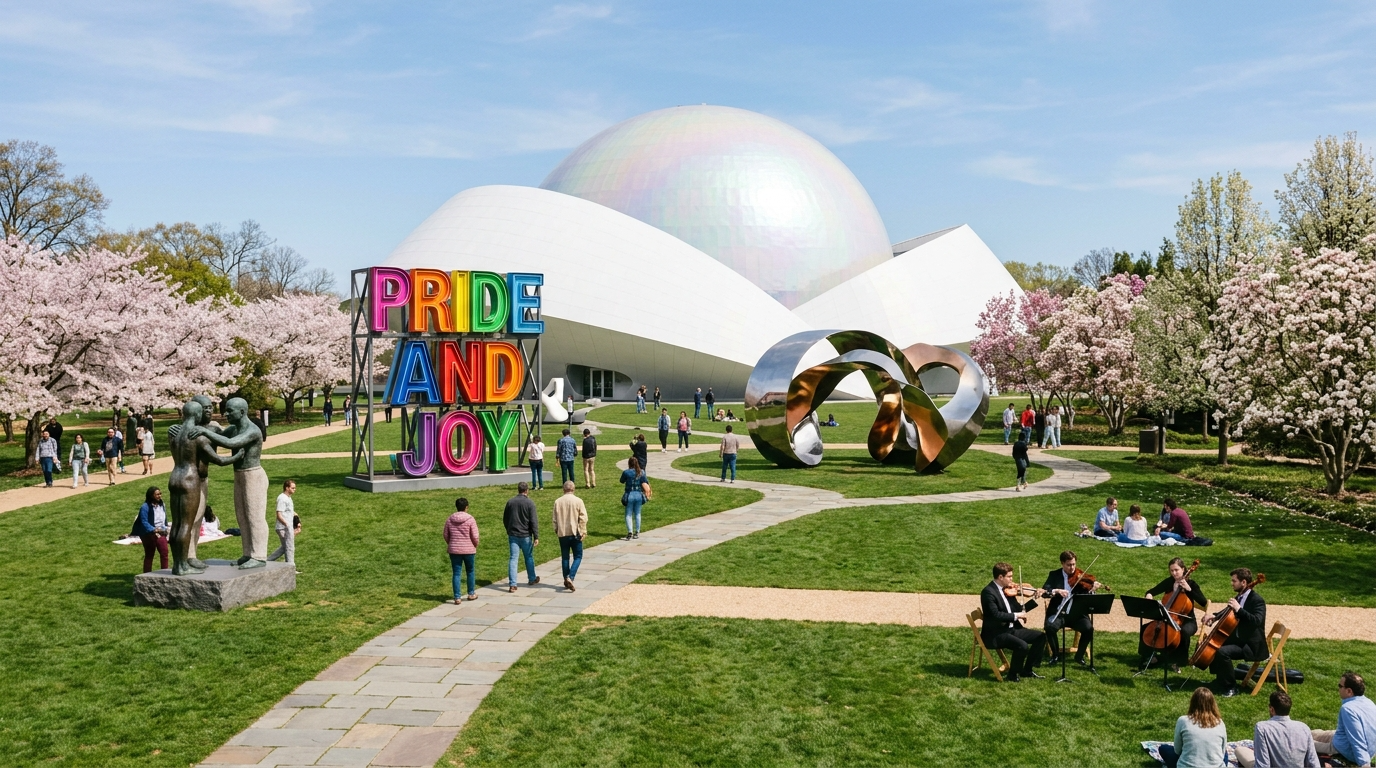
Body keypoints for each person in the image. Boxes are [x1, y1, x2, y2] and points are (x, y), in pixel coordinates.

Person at [1205, 567, 1267, 697]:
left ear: (1243, 582)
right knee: (1214, 644)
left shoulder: (1257, 600)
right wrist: (1214, 616)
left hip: (1251, 645)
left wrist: (1239, 609)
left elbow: (1256, 621)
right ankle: (1220, 681)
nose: (1231, 583)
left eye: (1234, 581)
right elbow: (1228, 611)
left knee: (1222, 652)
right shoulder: (1240, 596)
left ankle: (1231, 687)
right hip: (1240, 638)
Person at [980, 562, 1046, 682]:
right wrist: (1016, 616)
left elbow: (1019, 609)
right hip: (996, 633)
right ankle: (1012, 675)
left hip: (1011, 629)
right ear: (1000, 577)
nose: (1012, 579)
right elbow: (996, 615)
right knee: (1022, 646)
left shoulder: (1008, 591)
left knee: (1040, 637)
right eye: (1009, 576)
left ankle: (1027, 670)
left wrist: (1034, 599)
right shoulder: (988, 592)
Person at [1142, 557, 1208, 671]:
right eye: (1172, 570)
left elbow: (1203, 602)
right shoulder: (1169, 582)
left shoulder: (1191, 584)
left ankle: (1179, 661)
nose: (1174, 573)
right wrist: (1149, 595)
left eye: (1176, 570)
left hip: (1187, 621)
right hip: (1168, 619)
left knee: (1184, 632)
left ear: (1183, 569)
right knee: (1146, 628)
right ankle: (1150, 657)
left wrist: (1189, 589)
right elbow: (1151, 591)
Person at [1233, 690, 1319, 768]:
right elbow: (1313, 762)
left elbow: (1263, 765)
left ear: (1271, 709)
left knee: (1239, 750)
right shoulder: (1304, 727)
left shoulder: (1262, 728)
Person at [1042, 550, 1096, 666]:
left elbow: (1087, 598)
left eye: (1073, 564)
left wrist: (1092, 590)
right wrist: (1057, 591)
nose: (1072, 568)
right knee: (1049, 627)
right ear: (1062, 563)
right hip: (1058, 612)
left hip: (1077, 615)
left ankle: (1079, 656)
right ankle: (1055, 655)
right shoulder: (1054, 575)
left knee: (1089, 629)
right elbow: (1045, 591)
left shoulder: (1081, 576)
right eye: (1069, 565)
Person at [1312, 671, 1376, 767]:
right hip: (1369, 750)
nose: (1338, 688)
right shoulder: (1369, 702)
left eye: (1340, 686)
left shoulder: (1348, 709)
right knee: (1313, 733)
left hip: (1344, 749)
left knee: (1303, 741)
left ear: (1349, 691)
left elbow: (1357, 739)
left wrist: (1365, 764)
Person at [1159, 687, 1228, 768]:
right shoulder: (1220, 722)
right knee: (1224, 755)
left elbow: (1177, 750)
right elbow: (1223, 751)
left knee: (1163, 748)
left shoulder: (1183, 721)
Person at [503, 482, 539, 592]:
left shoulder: (510, 502)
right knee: (528, 557)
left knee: (513, 559)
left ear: (518, 490)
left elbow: (505, 519)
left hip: (513, 535)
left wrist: (509, 529)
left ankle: (513, 584)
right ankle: (532, 578)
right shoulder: (530, 503)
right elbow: (533, 521)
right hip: (526, 535)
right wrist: (536, 536)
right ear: (527, 490)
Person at [552, 481, 588, 591]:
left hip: (562, 533)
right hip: (575, 532)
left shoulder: (558, 501)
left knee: (565, 557)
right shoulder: (578, 501)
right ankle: (570, 577)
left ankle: (566, 578)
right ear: (573, 489)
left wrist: (556, 529)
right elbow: (583, 517)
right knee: (578, 556)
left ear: (563, 489)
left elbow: (554, 519)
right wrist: (583, 531)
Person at [444, 497, 480, 604]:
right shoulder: (470, 519)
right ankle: (471, 593)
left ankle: (457, 597)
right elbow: (475, 536)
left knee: (456, 573)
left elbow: (445, 534)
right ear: (466, 507)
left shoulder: (450, 519)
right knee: (470, 571)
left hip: (454, 550)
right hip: (469, 550)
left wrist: (451, 543)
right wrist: (475, 545)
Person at [131, 487, 170, 573]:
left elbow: (164, 517)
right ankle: (147, 574)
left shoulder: (162, 504)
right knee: (149, 554)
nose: (160, 496)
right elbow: (144, 521)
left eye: (160, 494)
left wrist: (164, 528)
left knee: (164, 552)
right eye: (157, 494)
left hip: (161, 531)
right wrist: (154, 530)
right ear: (151, 496)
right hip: (148, 533)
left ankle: (165, 573)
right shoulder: (145, 507)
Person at [267, 479, 299, 571]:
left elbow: (291, 512)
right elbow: (279, 514)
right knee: (289, 547)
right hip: (283, 528)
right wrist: (287, 525)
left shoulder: (288, 498)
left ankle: (267, 561)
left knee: (285, 547)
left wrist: (297, 522)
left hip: (287, 527)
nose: (294, 489)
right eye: (293, 488)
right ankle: (290, 569)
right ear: (287, 488)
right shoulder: (282, 498)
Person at [620, 457, 651, 540]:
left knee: (628, 514)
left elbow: (621, 481)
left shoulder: (626, 472)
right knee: (638, 513)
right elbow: (645, 482)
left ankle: (630, 531)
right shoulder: (641, 472)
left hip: (629, 494)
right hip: (639, 495)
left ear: (629, 463)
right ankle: (637, 532)